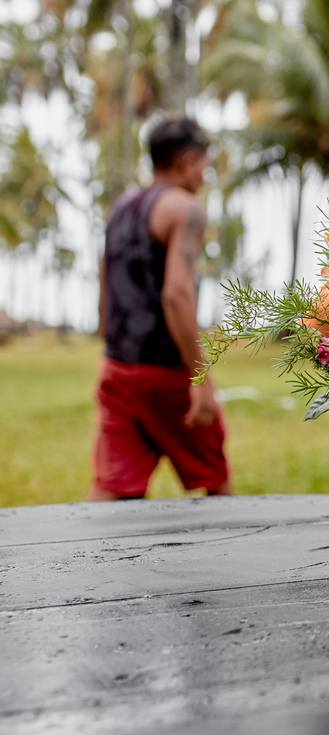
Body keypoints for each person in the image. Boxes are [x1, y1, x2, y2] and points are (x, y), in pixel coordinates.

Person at [89, 115, 233, 501]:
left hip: (118, 369)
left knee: (111, 490)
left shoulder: (120, 207)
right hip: (166, 375)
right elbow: (176, 295)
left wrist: (112, 350)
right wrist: (200, 377)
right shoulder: (184, 208)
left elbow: (106, 282)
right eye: (205, 165)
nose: (205, 175)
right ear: (187, 161)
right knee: (216, 482)